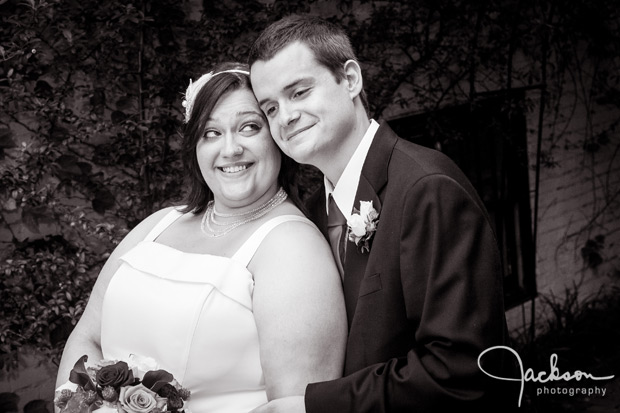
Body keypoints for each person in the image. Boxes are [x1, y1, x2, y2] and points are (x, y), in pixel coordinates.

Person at [249, 15, 514, 412]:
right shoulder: (314, 212)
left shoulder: (427, 189)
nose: (284, 117)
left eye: (300, 92)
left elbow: (462, 371)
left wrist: (313, 406)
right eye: (270, 108)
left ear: (350, 79)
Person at [55, 62, 347, 413]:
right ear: (195, 146)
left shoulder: (295, 249)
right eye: (211, 132)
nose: (230, 148)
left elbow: (294, 403)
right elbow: (86, 338)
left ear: (277, 137)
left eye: (249, 127)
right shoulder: (158, 223)